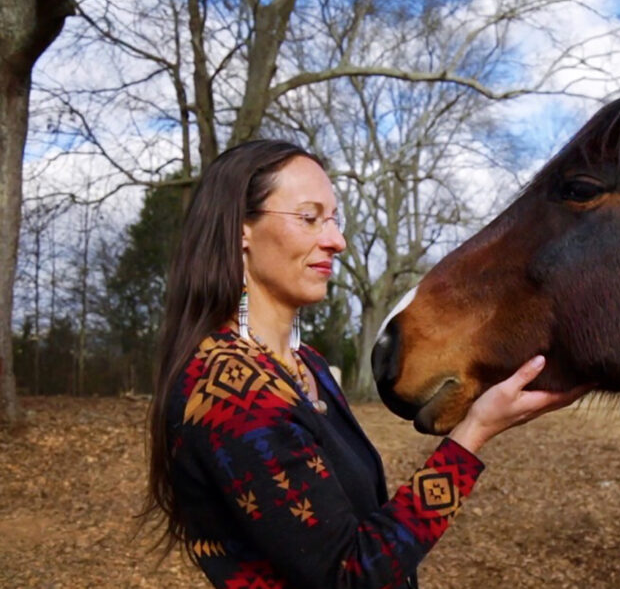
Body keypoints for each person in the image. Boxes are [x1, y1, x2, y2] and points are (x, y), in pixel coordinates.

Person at [143, 140, 590, 588]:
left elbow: (361, 536)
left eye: (334, 219)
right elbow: (351, 576)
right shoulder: (228, 394)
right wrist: (474, 433)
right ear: (241, 229)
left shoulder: (305, 365)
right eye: (309, 218)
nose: (336, 240)